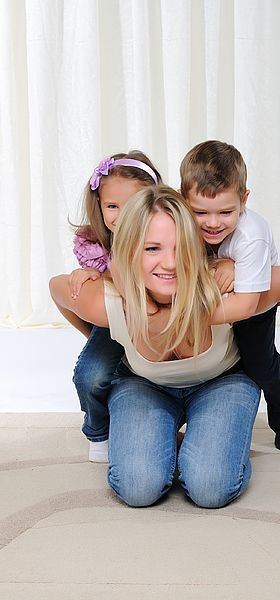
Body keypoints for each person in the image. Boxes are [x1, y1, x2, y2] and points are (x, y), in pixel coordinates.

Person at [50, 185, 280, 508]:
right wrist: (108, 332)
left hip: (223, 382)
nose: (170, 264)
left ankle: (217, 439)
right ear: (130, 250)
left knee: (211, 489)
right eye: (152, 249)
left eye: (180, 248)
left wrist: (241, 275)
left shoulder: (223, 291)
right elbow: (57, 290)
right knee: (137, 489)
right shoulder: (107, 302)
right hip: (143, 386)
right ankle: (179, 438)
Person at [180, 140, 280, 451]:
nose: (213, 223)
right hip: (212, 293)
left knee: (259, 363)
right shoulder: (181, 220)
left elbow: (246, 305)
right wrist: (222, 263)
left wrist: (186, 318)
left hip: (252, 298)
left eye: (225, 212)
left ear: (244, 200)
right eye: (201, 212)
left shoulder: (252, 235)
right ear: (184, 200)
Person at [70, 151, 163, 462]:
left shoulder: (166, 235)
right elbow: (92, 289)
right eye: (112, 206)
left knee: (152, 378)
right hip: (116, 318)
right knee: (91, 374)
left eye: (134, 205)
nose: (122, 216)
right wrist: (91, 273)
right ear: (99, 206)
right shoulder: (96, 242)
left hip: (157, 320)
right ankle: (98, 429)